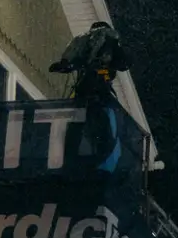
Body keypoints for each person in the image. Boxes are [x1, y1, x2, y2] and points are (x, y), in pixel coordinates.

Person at [50, 20, 131, 170]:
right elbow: (124, 64)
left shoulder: (84, 42)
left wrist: (65, 66)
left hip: (83, 90)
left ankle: (69, 159)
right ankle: (96, 159)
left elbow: (69, 62)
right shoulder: (110, 42)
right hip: (100, 92)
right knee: (103, 129)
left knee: (77, 126)